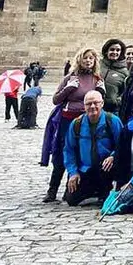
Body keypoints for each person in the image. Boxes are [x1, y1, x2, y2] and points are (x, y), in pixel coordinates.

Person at [43, 48, 105, 203]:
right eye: (85, 58)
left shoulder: (97, 79)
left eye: (91, 58)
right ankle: (52, 190)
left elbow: (99, 102)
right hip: (67, 119)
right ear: (79, 60)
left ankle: (69, 189)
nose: (88, 61)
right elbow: (56, 99)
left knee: (79, 153)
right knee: (61, 153)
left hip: (86, 121)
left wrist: (101, 90)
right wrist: (68, 88)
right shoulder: (70, 77)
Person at [62, 90, 123, 207]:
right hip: (85, 170)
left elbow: (122, 146)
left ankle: (104, 191)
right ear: (84, 106)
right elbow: (69, 150)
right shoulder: (76, 124)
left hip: (105, 169)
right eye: (89, 104)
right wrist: (73, 172)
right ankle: (94, 191)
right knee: (71, 199)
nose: (92, 106)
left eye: (96, 103)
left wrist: (113, 156)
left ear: (102, 103)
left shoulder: (113, 121)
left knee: (105, 173)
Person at [99, 38, 128, 115]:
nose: (115, 52)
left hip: (113, 110)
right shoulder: (98, 65)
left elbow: (126, 91)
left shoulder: (124, 72)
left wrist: (116, 101)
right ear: (106, 51)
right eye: (112, 49)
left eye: (118, 50)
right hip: (95, 106)